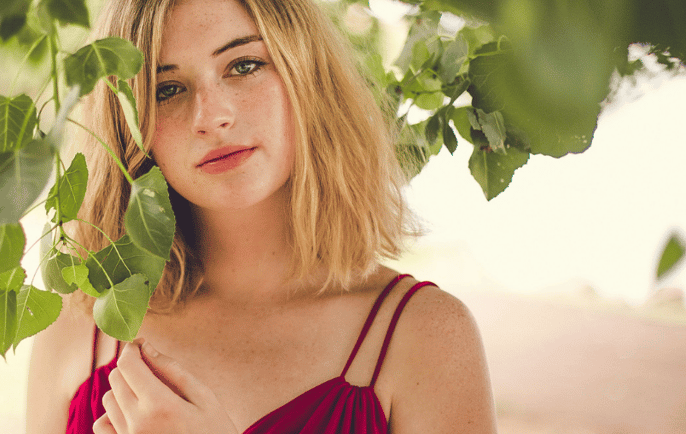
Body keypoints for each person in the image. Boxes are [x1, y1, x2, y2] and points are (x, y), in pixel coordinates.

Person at [27, 0, 497, 432]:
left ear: (308, 76)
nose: (211, 116)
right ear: (129, 125)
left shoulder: (426, 336)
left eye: (243, 65)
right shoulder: (80, 325)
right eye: (167, 88)